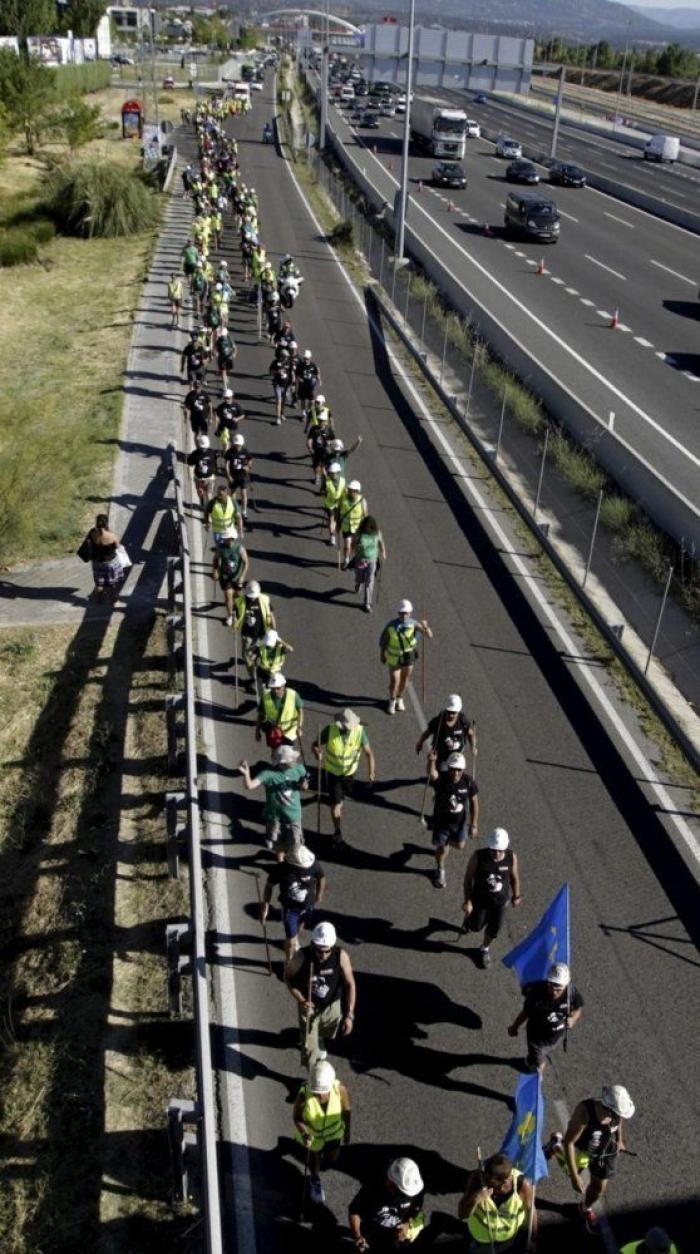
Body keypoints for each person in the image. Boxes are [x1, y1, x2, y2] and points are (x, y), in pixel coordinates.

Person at [546, 1086, 635, 1233]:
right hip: (583, 1149)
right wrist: (575, 1178)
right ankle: (556, 1144)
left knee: (599, 1188)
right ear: (609, 1109)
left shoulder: (615, 1114)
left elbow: (620, 1120)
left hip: (604, 1151)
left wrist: (619, 1139)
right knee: (570, 1170)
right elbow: (569, 1142)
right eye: (618, 1114)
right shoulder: (584, 1112)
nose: (620, 1118)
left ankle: (585, 1208)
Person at [284, 921, 356, 1067]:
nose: (322, 955)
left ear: (333, 946)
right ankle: (313, 1079)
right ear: (313, 945)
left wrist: (349, 1015)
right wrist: (301, 1000)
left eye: (326, 951)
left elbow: (350, 984)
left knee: (329, 1029)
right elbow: (288, 978)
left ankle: (320, 1038)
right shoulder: (301, 956)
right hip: (309, 1005)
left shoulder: (341, 956)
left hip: (332, 1004)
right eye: (318, 950)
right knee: (310, 1052)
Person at [312, 709, 376, 845]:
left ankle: (337, 802)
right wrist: (317, 752)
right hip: (332, 774)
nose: (348, 729)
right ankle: (337, 831)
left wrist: (371, 773)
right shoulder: (329, 730)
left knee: (340, 800)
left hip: (349, 775)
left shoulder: (359, 731)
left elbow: (369, 753)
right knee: (336, 804)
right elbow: (315, 745)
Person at [507, 961, 584, 1073]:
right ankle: (535, 1066)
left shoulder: (571, 993)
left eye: (558, 988)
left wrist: (573, 1019)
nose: (554, 991)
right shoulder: (536, 995)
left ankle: (532, 1063)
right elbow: (525, 1013)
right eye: (551, 985)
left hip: (556, 1037)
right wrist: (514, 1027)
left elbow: (578, 1009)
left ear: (566, 985)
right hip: (537, 1038)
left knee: (536, 1061)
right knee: (539, 1064)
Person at [294, 1056, 351, 1206]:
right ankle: (314, 1179)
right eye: (316, 1092)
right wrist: (305, 1134)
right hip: (313, 1137)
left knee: (332, 1158)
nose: (320, 1095)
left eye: (323, 1092)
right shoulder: (303, 1095)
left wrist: (347, 1132)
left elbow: (346, 1111)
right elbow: (297, 1118)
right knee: (314, 1162)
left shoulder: (340, 1090)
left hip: (334, 1134)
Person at [238, 745, 308, 859]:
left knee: (296, 847)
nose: (295, 760)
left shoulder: (299, 769)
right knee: (279, 847)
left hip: (294, 817)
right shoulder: (268, 774)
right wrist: (246, 774)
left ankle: (293, 867)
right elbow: (250, 785)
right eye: (292, 759)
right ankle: (281, 869)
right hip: (276, 819)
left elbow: (304, 785)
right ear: (282, 763)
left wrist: (304, 785)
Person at [457, 1152, 536, 1251]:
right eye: (486, 1179)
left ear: (506, 1181)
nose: (485, 1183)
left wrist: (533, 1238)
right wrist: (477, 1198)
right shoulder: (477, 1179)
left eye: (491, 1183)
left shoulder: (522, 1185)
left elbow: (531, 1210)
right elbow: (462, 1215)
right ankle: (476, 1243)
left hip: (507, 1236)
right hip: (480, 1235)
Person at [462, 828, 519, 967]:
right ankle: (469, 920)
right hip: (480, 901)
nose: (496, 853)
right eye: (494, 849)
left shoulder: (511, 857)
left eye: (500, 850)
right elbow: (468, 879)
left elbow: (514, 876)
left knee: (495, 928)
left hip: (500, 902)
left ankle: (484, 948)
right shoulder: (478, 857)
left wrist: (516, 895)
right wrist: (468, 901)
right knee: (475, 926)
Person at [262, 842, 325, 958]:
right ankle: (289, 963)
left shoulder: (313, 864)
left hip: (308, 906)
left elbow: (321, 877)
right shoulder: (282, 869)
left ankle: (294, 938)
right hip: (290, 909)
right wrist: (265, 906)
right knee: (290, 942)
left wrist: (319, 894)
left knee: (300, 927)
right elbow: (269, 885)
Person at [349, 1158, 427, 1253]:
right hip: (371, 1229)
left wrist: (407, 1225)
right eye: (403, 1194)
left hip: (398, 1233)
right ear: (390, 1183)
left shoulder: (414, 1189)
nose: (408, 1196)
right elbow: (354, 1211)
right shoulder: (372, 1188)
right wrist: (358, 1236)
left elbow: (416, 1210)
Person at [428, 750, 479, 889]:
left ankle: (444, 842)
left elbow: (474, 802)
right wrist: (432, 760)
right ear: (448, 768)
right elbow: (432, 774)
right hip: (442, 822)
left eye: (459, 770)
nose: (456, 773)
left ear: (463, 769)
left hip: (459, 823)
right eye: (453, 769)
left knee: (461, 845)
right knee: (442, 850)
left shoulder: (468, 782)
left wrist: (473, 824)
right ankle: (440, 868)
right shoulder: (442, 779)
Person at [379, 600, 433, 715]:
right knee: (395, 681)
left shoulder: (414, 624)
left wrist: (426, 626)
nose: (404, 615)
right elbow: (383, 641)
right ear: (398, 613)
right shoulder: (391, 625)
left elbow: (429, 636)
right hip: (394, 656)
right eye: (402, 613)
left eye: (406, 613)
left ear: (410, 613)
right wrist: (382, 654)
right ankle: (392, 701)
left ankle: (400, 698)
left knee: (405, 679)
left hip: (409, 656)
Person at [416, 693, 476, 770]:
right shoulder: (438, 721)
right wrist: (420, 743)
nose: (451, 715)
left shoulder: (463, 721)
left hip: (456, 755)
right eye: (449, 712)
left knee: (454, 776)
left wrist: (473, 747)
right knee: (442, 775)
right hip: (441, 756)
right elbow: (427, 733)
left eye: (454, 713)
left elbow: (470, 734)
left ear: (458, 711)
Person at [233, 580, 275, 684]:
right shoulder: (240, 601)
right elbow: (236, 616)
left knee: (265, 657)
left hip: (263, 633)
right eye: (250, 596)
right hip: (247, 634)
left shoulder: (265, 600)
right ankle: (253, 678)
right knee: (247, 656)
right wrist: (233, 621)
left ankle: (269, 678)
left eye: (254, 596)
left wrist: (274, 631)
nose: (252, 598)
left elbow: (271, 615)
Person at [256, 672, 304, 748]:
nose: (275, 691)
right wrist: (257, 731)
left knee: (287, 754)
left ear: (284, 686)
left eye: (278, 688)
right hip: (274, 730)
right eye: (273, 688)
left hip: (289, 731)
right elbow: (260, 714)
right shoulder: (265, 697)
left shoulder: (293, 695)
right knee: (275, 753)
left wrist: (299, 727)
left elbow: (300, 711)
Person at [350, 515, 386, 613]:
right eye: (367, 527)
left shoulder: (377, 533)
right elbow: (353, 543)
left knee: (369, 580)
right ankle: (358, 584)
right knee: (359, 577)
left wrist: (383, 552)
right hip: (360, 560)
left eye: (370, 527)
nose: (368, 529)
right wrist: (354, 548)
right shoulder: (359, 533)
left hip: (372, 560)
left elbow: (381, 542)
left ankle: (367, 604)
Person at [86, 513, 124, 604]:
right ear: (106, 523)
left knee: (99, 583)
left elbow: (88, 543)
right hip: (110, 562)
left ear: (96, 523)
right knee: (111, 584)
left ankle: (96, 600)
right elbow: (117, 546)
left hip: (96, 562)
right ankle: (113, 601)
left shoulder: (92, 533)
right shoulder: (111, 535)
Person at [211, 533, 249, 625]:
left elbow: (246, 563)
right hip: (225, 577)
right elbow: (215, 559)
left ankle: (242, 612)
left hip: (237, 577)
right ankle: (230, 616)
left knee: (238, 596)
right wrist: (215, 571)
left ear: (231, 538)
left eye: (226, 538)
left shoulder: (240, 549)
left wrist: (242, 576)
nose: (224, 539)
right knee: (228, 597)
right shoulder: (220, 548)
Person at [252, 627, 293, 698]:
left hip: (274, 673)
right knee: (263, 692)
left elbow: (290, 649)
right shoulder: (262, 646)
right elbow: (254, 653)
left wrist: (280, 641)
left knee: (274, 691)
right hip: (263, 672)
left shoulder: (280, 647)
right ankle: (263, 703)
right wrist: (253, 657)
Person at [338, 480, 368, 570]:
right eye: (349, 489)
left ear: (357, 491)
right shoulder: (343, 498)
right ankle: (346, 560)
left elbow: (366, 516)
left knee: (354, 547)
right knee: (347, 545)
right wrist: (337, 523)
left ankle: (354, 560)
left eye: (352, 490)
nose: (350, 492)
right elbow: (338, 510)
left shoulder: (362, 501)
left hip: (357, 529)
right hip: (346, 528)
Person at [224, 432, 252, 526]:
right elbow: (227, 465)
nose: (237, 446)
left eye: (239, 445)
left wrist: (248, 466)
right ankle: (235, 510)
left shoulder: (245, 451)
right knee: (232, 494)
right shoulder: (229, 452)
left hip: (243, 476)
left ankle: (244, 512)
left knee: (244, 494)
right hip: (233, 476)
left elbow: (250, 460)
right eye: (236, 445)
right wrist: (229, 476)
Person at [187, 433, 218, 507]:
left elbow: (215, 463)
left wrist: (214, 472)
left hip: (210, 477)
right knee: (200, 492)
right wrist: (189, 476)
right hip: (199, 478)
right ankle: (201, 500)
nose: (204, 449)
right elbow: (189, 463)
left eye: (205, 447)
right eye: (202, 447)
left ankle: (209, 511)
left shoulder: (212, 453)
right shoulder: (195, 454)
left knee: (209, 494)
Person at [322, 461, 345, 547]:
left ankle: (332, 531)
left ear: (338, 472)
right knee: (331, 519)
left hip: (338, 504)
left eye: (334, 473)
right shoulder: (327, 481)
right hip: (329, 504)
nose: (332, 474)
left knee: (334, 520)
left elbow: (343, 492)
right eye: (331, 473)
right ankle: (332, 536)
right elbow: (323, 492)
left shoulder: (343, 481)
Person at [215, 388, 245, 452]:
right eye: (225, 398)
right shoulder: (221, 406)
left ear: (231, 397)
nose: (226, 400)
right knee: (225, 442)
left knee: (233, 442)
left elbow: (242, 415)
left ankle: (231, 453)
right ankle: (225, 453)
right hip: (223, 427)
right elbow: (217, 414)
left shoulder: (236, 406)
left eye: (228, 398)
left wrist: (237, 419)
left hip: (233, 428)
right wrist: (216, 422)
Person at [183, 378, 211, 443]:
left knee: (205, 433)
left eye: (198, 387)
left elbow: (210, 405)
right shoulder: (190, 395)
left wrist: (210, 417)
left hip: (204, 417)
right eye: (196, 387)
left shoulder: (205, 394)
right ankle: (198, 448)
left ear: (201, 386)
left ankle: (205, 446)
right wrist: (185, 416)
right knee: (196, 434)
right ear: (194, 386)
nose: (197, 388)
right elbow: (186, 406)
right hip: (194, 418)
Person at [296, 348, 321, 419]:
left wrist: (319, 380)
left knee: (312, 401)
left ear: (310, 358)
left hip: (310, 386)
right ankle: (303, 413)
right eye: (304, 358)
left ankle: (308, 410)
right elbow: (297, 374)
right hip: (302, 386)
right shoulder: (300, 365)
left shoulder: (313, 365)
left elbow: (317, 373)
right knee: (303, 400)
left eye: (306, 358)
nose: (305, 360)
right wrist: (299, 379)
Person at [270, 348, 292, 425]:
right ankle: (278, 417)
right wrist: (277, 372)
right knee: (278, 400)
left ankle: (282, 413)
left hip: (286, 385)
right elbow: (270, 372)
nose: (287, 358)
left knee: (284, 401)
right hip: (277, 384)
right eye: (285, 357)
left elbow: (291, 373)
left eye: (287, 357)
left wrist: (291, 384)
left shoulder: (288, 363)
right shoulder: (275, 363)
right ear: (282, 356)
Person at [215, 325, 236, 390]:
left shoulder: (230, 338)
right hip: (222, 358)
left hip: (229, 358)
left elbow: (235, 348)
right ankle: (225, 386)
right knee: (223, 372)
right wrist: (216, 354)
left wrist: (234, 354)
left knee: (227, 372)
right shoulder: (218, 341)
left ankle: (226, 380)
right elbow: (216, 349)